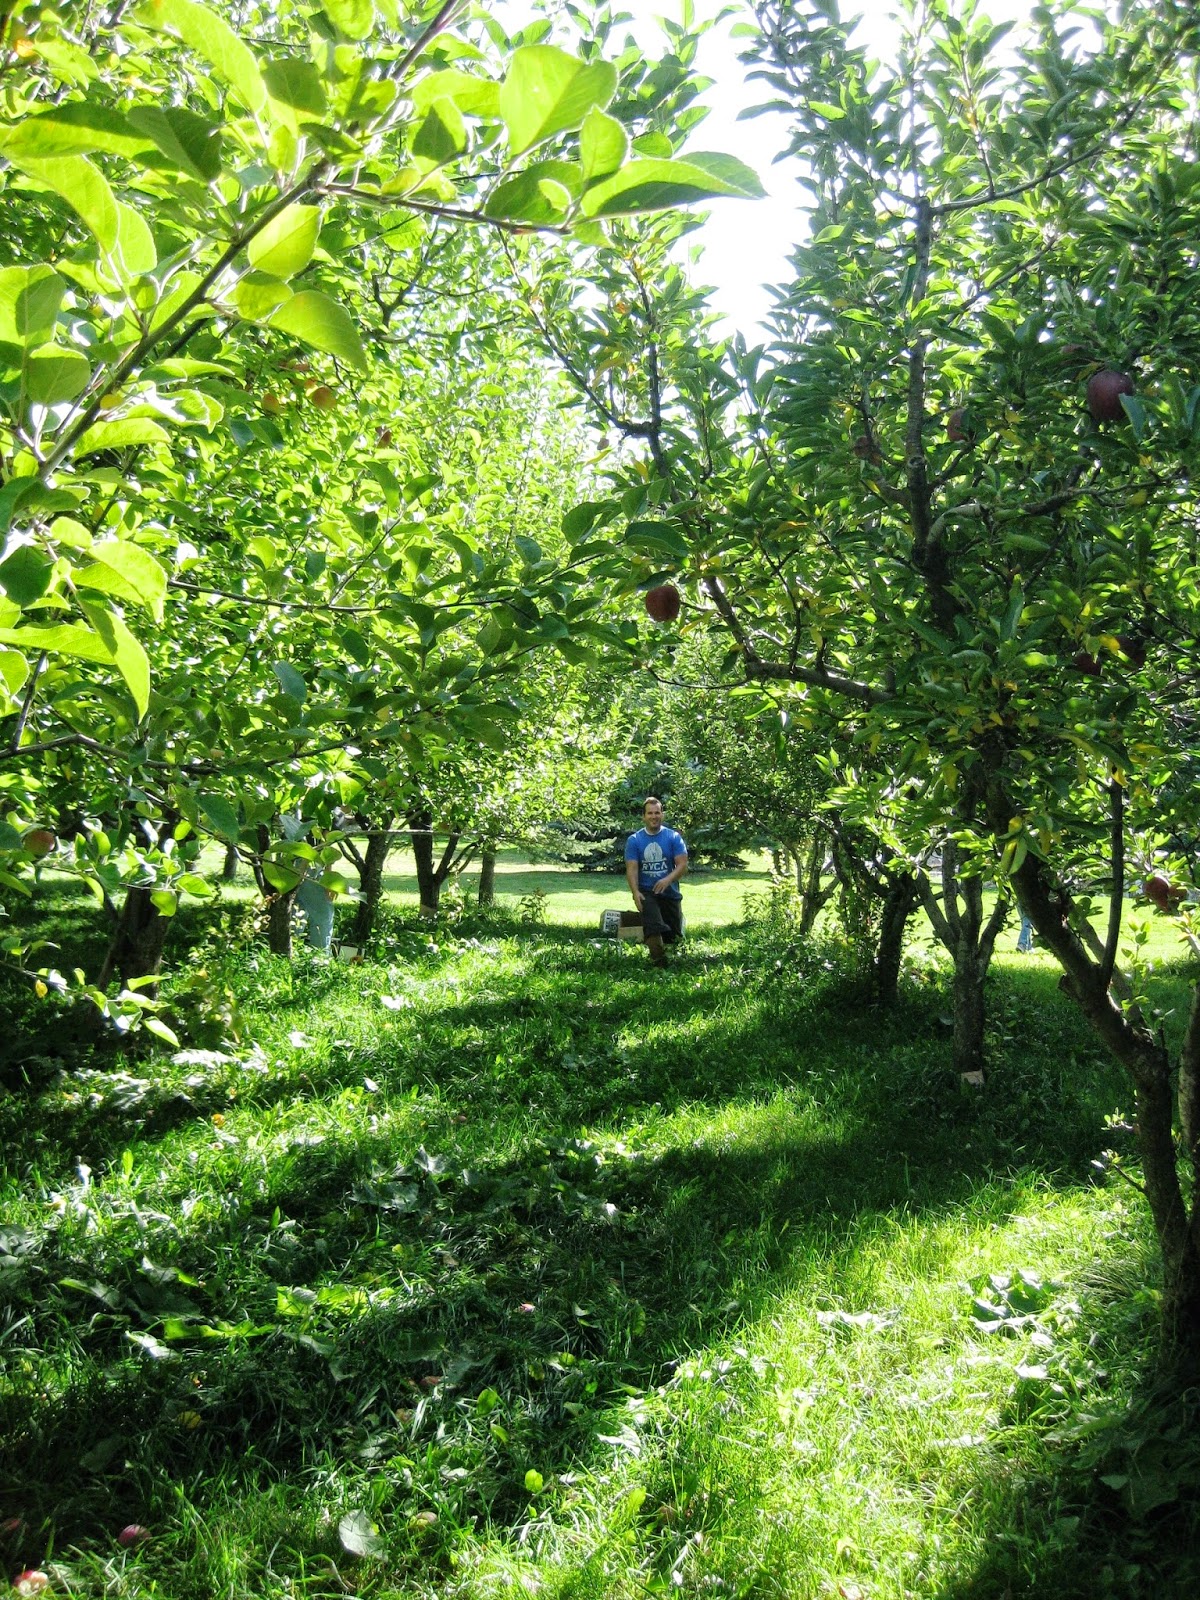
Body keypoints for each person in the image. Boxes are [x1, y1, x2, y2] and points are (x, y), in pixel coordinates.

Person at [625, 796, 688, 967]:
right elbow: (632, 869)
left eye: (657, 813)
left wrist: (667, 880)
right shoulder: (635, 840)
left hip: (670, 892)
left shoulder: (673, 837)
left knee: (673, 937)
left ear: (662, 815)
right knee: (653, 926)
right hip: (647, 891)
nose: (654, 816)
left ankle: (675, 966)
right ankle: (659, 964)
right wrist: (635, 892)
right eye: (650, 813)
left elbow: (682, 865)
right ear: (644, 817)